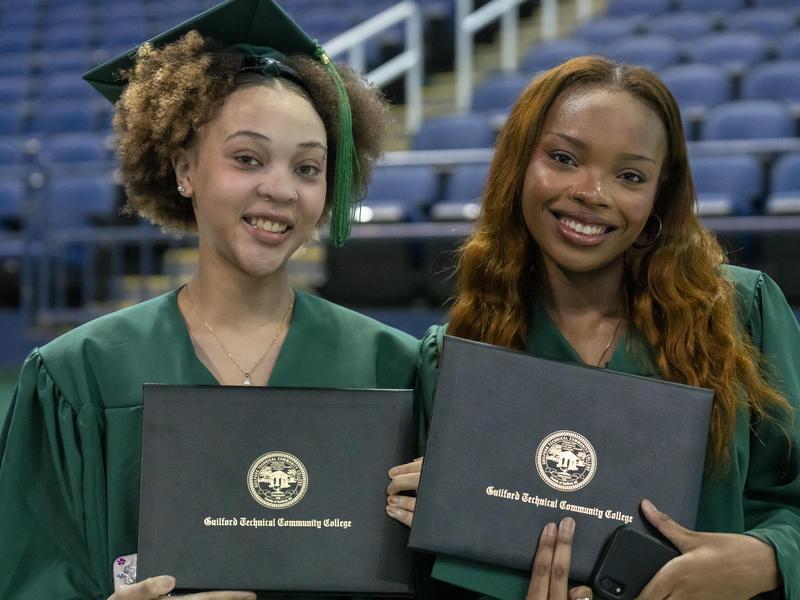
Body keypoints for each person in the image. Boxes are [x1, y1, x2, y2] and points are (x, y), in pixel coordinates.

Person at [0, 1, 420, 599]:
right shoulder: (80, 376)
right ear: (184, 169)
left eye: (308, 167)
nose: (279, 189)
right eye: (247, 158)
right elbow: (30, 574)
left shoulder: (392, 367)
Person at [386, 55, 800, 599]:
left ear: (659, 193)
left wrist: (768, 559)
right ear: (518, 164)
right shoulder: (459, 355)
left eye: (630, 175)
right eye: (563, 158)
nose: (592, 192)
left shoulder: (739, 311)